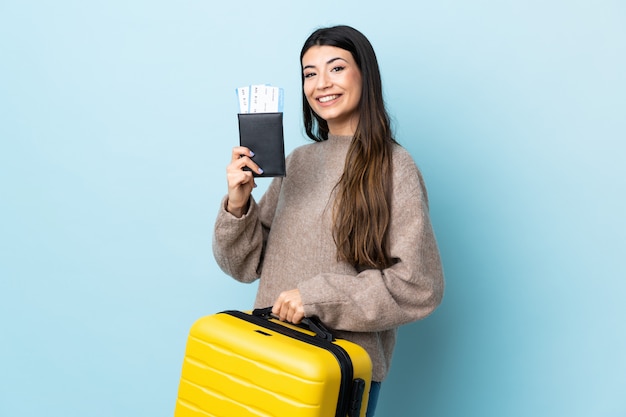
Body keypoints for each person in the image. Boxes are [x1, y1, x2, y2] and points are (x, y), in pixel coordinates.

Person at [213, 24, 444, 417]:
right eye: (309, 73)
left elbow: (419, 285)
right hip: (267, 356)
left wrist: (316, 298)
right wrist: (238, 204)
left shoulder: (395, 167)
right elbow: (245, 266)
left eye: (336, 68)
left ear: (364, 75)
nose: (322, 83)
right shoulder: (298, 162)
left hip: (338, 373)